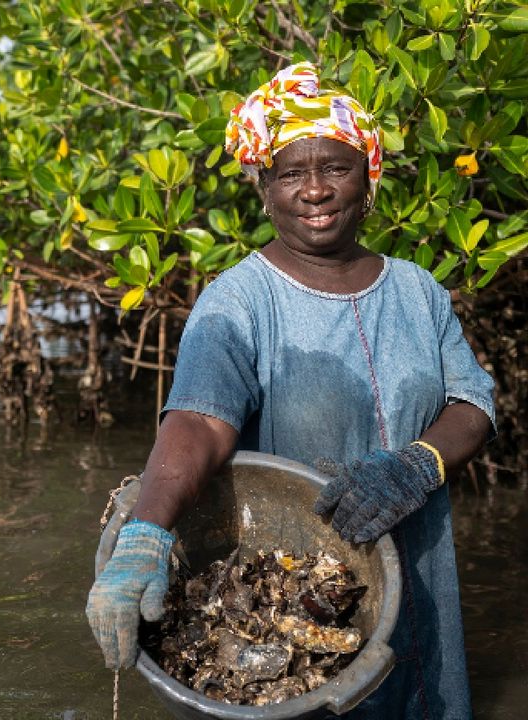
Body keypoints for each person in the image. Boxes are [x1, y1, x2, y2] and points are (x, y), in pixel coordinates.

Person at [86, 62, 495, 719]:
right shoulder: (239, 302)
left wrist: (421, 463)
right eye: (290, 173)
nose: (314, 190)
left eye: (334, 167)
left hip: (417, 582)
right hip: (297, 596)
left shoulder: (418, 291)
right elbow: (198, 423)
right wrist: (147, 531)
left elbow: (472, 402)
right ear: (265, 189)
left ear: (368, 179)